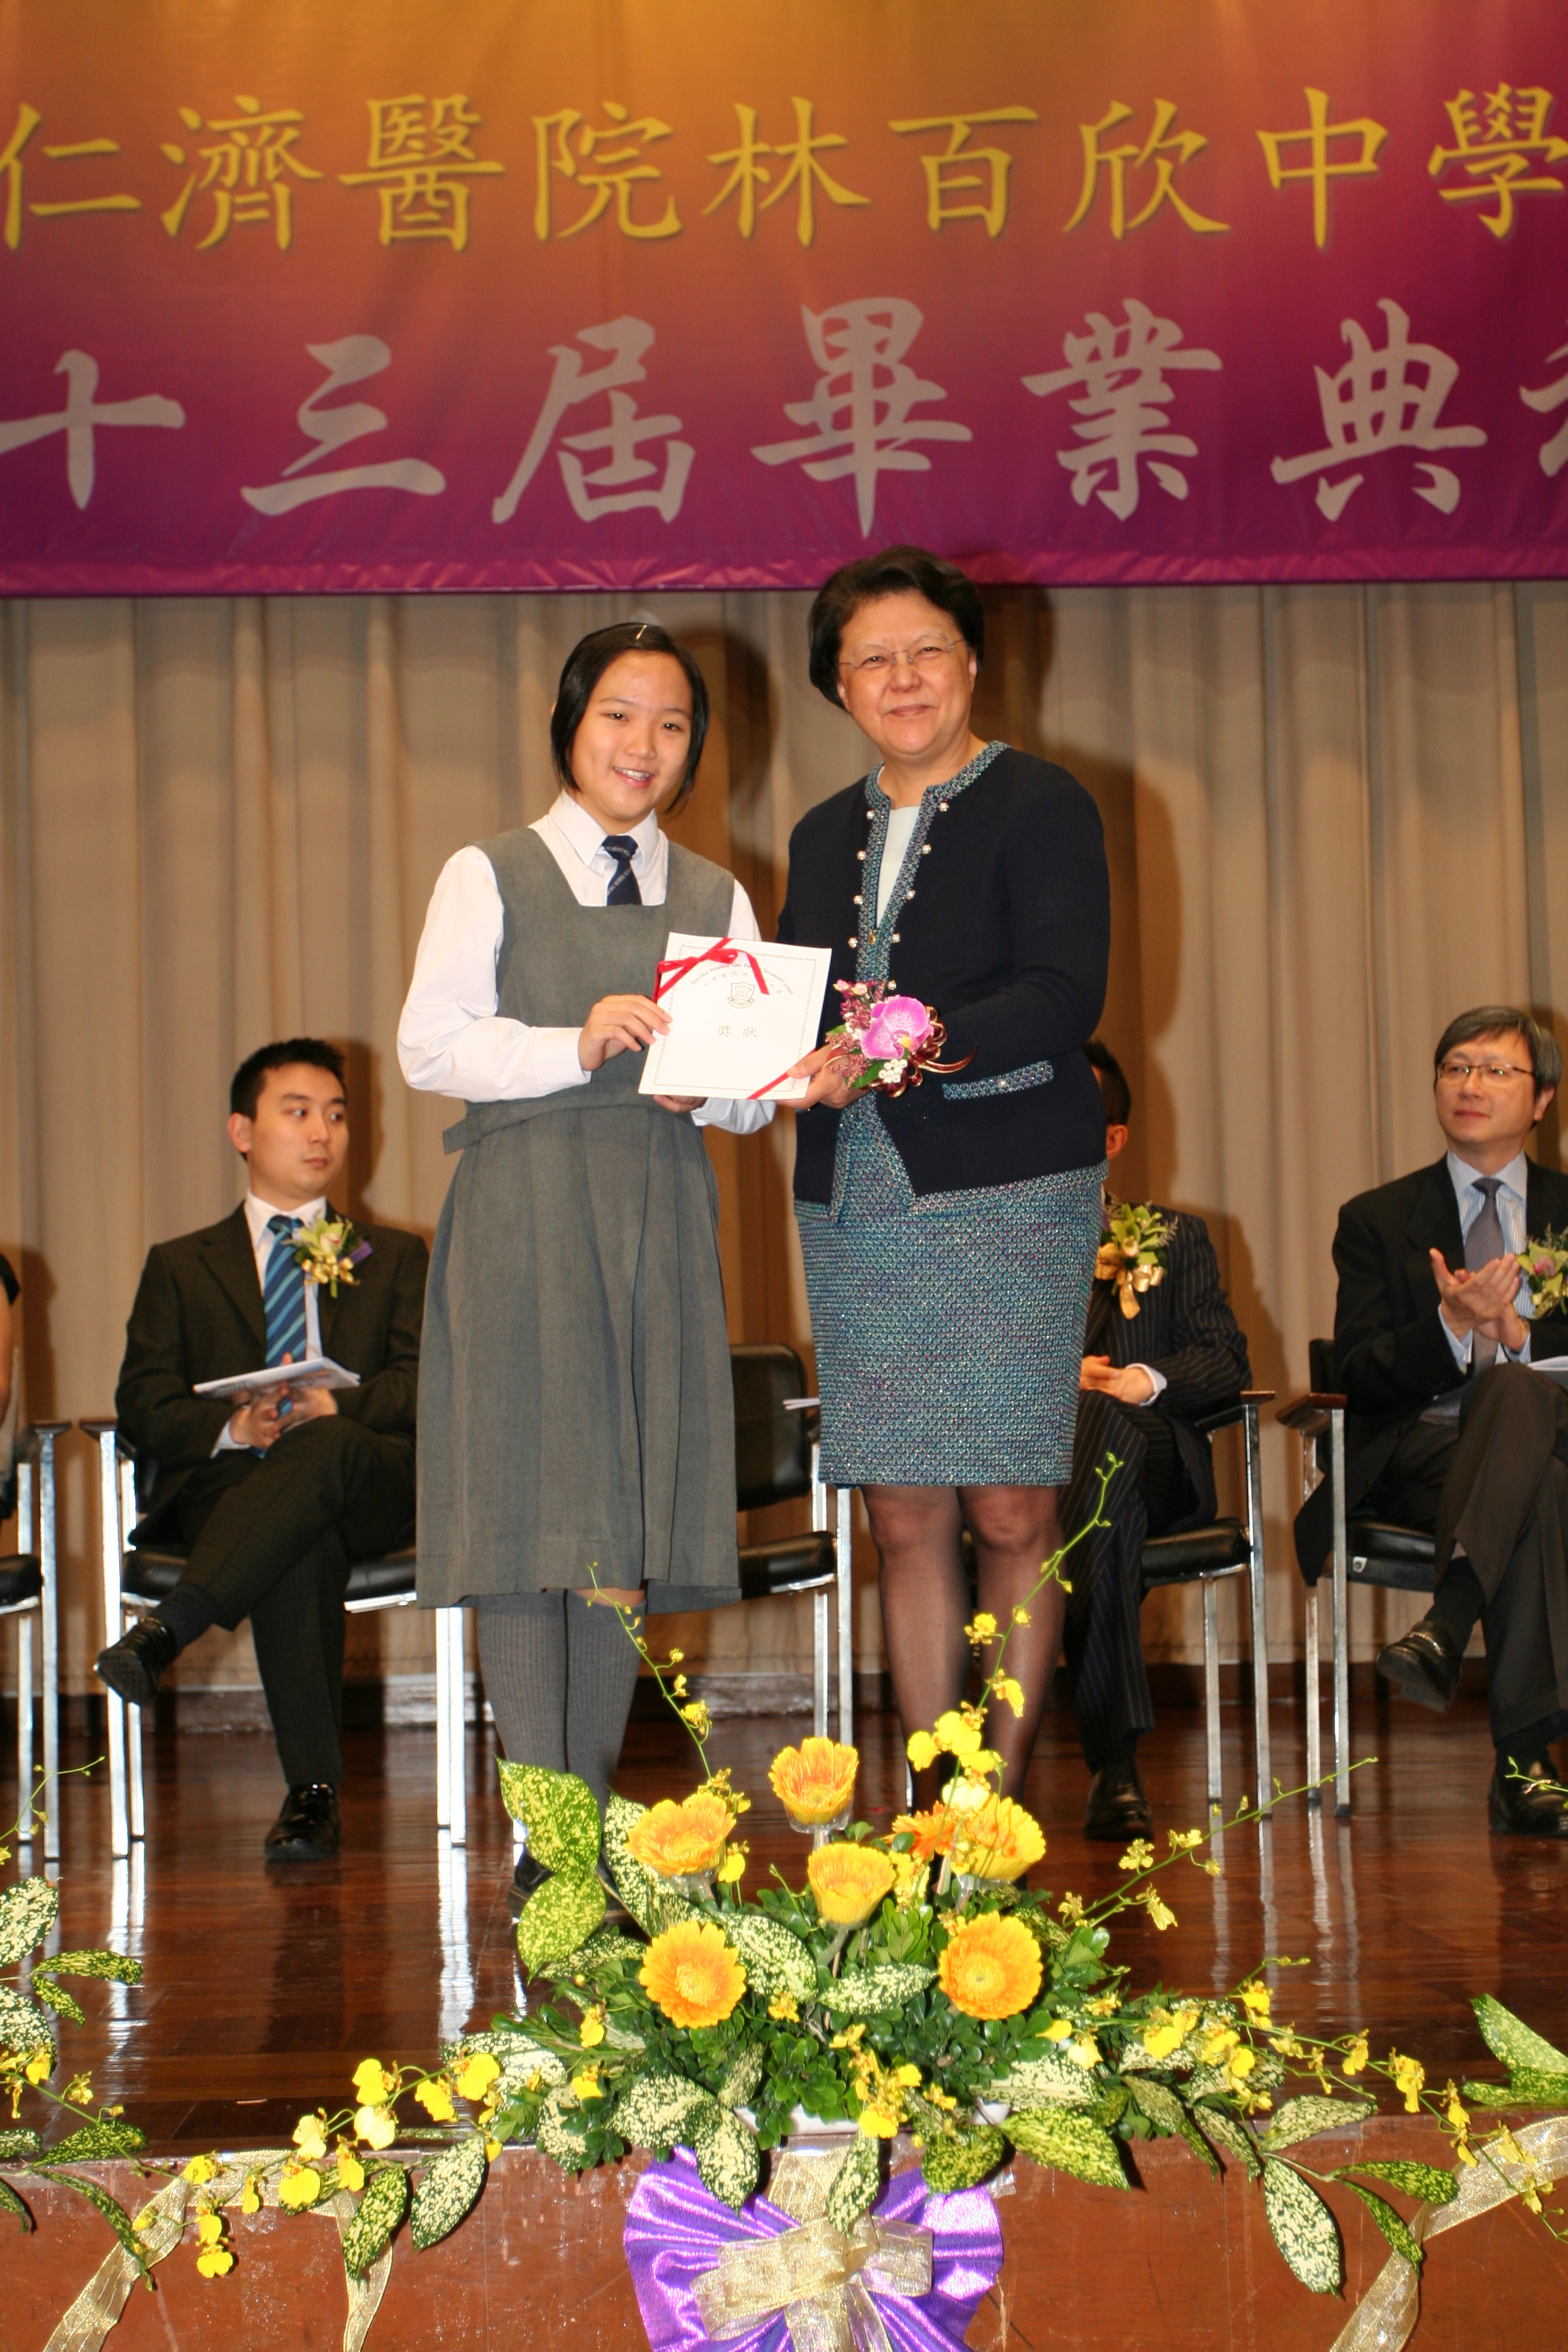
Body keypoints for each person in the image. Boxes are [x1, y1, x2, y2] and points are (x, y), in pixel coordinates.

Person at [399, 621, 770, 1906]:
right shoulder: (488, 871)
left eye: (671, 724)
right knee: (523, 1517)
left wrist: (707, 1093)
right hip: (523, 1208)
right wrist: (574, 1040)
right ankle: (546, 1831)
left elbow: (751, 1092)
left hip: (654, 1210)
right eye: (618, 715)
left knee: (618, 1521)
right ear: (569, 727)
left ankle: (591, 1819)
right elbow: (429, 1045)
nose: (642, 745)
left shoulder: (718, 894)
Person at [779, 546, 1109, 1810]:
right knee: (903, 1512)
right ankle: (932, 1811)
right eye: (872, 659)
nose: (902, 677)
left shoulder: (1042, 802)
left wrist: (896, 1044)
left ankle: (993, 1820)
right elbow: (794, 1007)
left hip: (1009, 1187)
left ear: (970, 661)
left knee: (1012, 1510)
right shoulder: (819, 833)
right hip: (857, 1195)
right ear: (838, 687)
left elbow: (1062, 995)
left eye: (926, 650)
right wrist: (735, 1062)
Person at [96, 1041, 427, 1860]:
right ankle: (312, 1798)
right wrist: (234, 1429)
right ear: (242, 1131)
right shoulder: (180, 1266)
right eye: (299, 1112)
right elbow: (142, 1402)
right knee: (295, 1531)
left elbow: (429, 1382)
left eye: (337, 1115)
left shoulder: (393, 1255)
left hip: (370, 1482)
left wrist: (333, 1405)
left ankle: (169, 1630)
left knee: (329, 1445)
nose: (323, 1132)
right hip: (235, 1484)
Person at [1297, 1005, 1568, 1835]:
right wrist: (1451, 1326)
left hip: (1553, 1438)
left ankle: (1447, 1625)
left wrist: (1518, 1337)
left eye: (1495, 1070)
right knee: (1535, 1481)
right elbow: (1354, 1372)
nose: (1470, 1084)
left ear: (1542, 1099)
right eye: (1456, 1067)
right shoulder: (1377, 1220)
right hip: (1423, 1454)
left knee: (1520, 1407)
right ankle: (1524, 1764)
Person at [1061, 1040, 1251, 1839]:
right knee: (1099, 1494)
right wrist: (1051, 1379)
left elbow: (1227, 1360)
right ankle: (1114, 1764)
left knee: (1106, 1428)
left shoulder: (1174, 1238)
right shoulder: (987, 1247)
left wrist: (1143, 1380)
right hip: (1032, 1473)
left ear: (1114, 1139)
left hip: (1158, 1464)